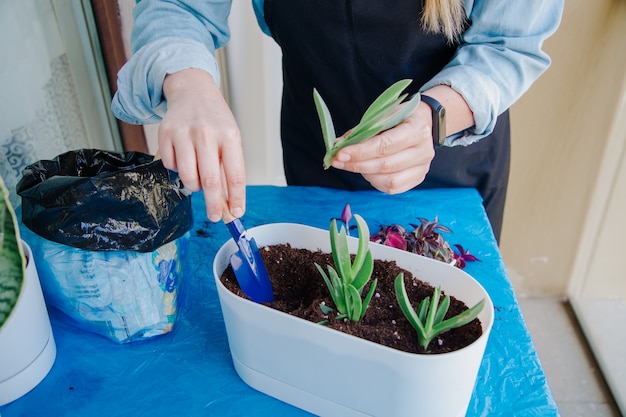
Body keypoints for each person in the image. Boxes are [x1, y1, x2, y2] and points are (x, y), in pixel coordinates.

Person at [112, 0, 564, 242]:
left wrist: (434, 117)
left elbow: (509, 44)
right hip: (319, 152)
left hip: (448, 152)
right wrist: (190, 85)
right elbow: (180, 8)